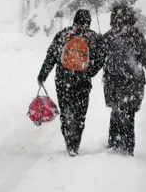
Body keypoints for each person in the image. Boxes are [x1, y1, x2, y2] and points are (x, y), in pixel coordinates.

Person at [91, 4, 146, 156]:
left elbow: (98, 59)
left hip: (112, 81)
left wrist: (100, 43)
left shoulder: (108, 36)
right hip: (133, 82)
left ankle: (114, 141)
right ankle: (127, 147)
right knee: (129, 113)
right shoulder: (136, 35)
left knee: (116, 110)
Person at [37, 9, 100, 156]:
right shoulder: (92, 37)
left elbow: (51, 56)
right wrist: (90, 71)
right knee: (80, 113)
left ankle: (68, 140)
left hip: (63, 79)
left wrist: (42, 75)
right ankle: (75, 143)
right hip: (82, 81)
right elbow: (100, 58)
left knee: (66, 111)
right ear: (88, 21)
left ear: (74, 20)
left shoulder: (63, 34)